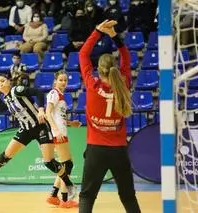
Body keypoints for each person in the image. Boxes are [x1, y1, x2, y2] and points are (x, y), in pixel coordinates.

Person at [0, 74, 77, 200]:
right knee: (7, 155)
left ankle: (69, 185)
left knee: (49, 162)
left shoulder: (17, 90)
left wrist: (41, 110)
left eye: (3, 81)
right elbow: (2, 109)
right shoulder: (7, 99)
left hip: (40, 126)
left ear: (8, 81)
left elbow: (39, 92)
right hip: (25, 129)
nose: (1, 84)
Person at [78, 20, 141, 213]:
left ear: (98, 68)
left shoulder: (92, 85)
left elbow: (82, 54)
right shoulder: (123, 84)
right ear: (113, 68)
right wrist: (114, 36)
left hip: (96, 150)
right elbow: (126, 56)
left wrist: (98, 31)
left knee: (87, 196)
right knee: (128, 197)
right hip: (119, 151)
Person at [45, 71, 81, 208]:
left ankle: (54, 196)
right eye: (61, 80)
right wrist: (56, 130)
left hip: (61, 132)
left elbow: (59, 117)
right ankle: (65, 200)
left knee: (64, 165)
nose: (63, 82)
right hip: (58, 134)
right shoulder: (54, 94)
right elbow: (48, 113)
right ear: (55, 81)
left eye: (65, 80)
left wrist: (71, 123)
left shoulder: (61, 95)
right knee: (67, 165)